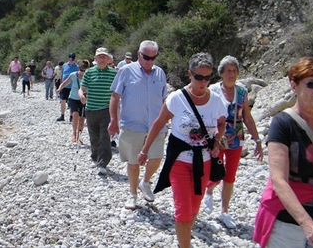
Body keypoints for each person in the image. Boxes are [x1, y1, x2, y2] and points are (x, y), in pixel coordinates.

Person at [253, 57, 313, 248]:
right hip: (289, 221)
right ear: (294, 87)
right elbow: (279, 180)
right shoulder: (283, 123)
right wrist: (307, 224)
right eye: (312, 84)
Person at [138, 52, 226, 248]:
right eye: (198, 77)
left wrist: (217, 141)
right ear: (190, 74)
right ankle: (184, 244)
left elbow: (221, 123)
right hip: (179, 161)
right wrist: (144, 151)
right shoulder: (177, 98)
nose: (203, 82)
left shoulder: (216, 100)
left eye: (207, 77)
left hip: (203, 162)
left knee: (195, 207)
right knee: (183, 210)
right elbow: (158, 123)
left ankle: (183, 236)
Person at [202, 55, 263, 228]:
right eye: (228, 71)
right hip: (217, 139)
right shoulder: (213, 90)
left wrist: (257, 140)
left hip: (236, 139)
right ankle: (209, 189)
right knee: (216, 172)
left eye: (234, 71)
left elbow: (248, 118)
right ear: (221, 73)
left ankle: (224, 212)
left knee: (230, 176)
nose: (232, 74)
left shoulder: (242, 92)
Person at [109, 40, 168, 209]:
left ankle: (146, 182)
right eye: (146, 57)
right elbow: (115, 97)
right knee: (133, 163)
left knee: (156, 158)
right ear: (138, 55)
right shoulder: (126, 72)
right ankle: (133, 194)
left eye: (153, 58)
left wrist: (166, 122)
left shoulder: (160, 73)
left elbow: (164, 100)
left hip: (155, 125)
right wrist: (113, 120)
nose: (149, 61)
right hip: (132, 125)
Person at [79, 48, 117, 175]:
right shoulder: (89, 72)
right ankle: (95, 156)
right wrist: (81, 96)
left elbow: (118, 91)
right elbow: (82, 88)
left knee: (105, 136)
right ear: (95, 59)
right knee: (94, 136)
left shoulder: (114, 73)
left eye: (104, 56)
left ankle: (103, 163)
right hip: (91, 109)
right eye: (99, 56)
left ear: (108, 59)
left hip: (106, 109)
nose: (101, 59)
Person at [57, 60, 90, 144]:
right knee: (75, 115)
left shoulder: (89, 76)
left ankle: (79, 136)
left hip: (84, 99)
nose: (83, 72)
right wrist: (59, 88)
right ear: (79, 69)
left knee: (82, 119)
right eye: (82, 70)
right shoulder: (73, 75)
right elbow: (64, 83)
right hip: (73, 98)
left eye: (85, 70)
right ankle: (74, 134)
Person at [57, 53, 79, 122]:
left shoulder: (77, 67)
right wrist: (61, 85)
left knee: (71, 102)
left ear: (75, 59)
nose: (71, 61)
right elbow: (62, 75)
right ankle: (62, 115)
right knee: (63, 100)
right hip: (64, 86)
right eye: (70, 60)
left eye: (72, 60)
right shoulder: (64, 65)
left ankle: (71, 116)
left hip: (73, 86)